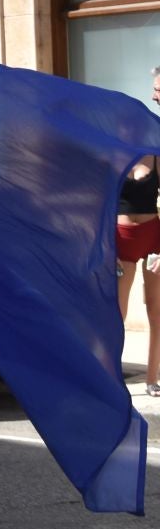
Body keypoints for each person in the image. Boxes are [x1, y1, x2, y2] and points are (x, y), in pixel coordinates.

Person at [115, 76, 160, 396]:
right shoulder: (113, 154)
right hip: (121, 237)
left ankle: (152, 377)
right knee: (117, 312)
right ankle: (113, 375)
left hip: (153, 234)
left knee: (155, 309)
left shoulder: (155, 153)